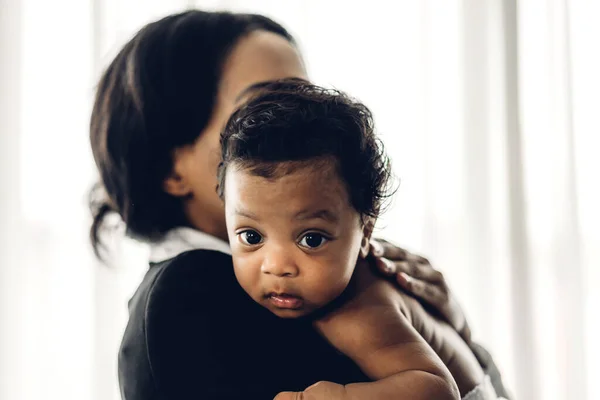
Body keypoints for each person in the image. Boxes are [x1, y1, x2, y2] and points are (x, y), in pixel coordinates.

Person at [89, 9, 510, 400]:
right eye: (261, 109)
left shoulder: (326, 275)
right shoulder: (190, 294)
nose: (294, 127)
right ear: (169, 165)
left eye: (301, 100)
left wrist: (447, 325)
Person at [219, 78, 462, 399]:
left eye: (312, 240)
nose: (277, 267)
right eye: (251, 236)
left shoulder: (358, 313)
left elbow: (440, 391)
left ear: (366, 231)